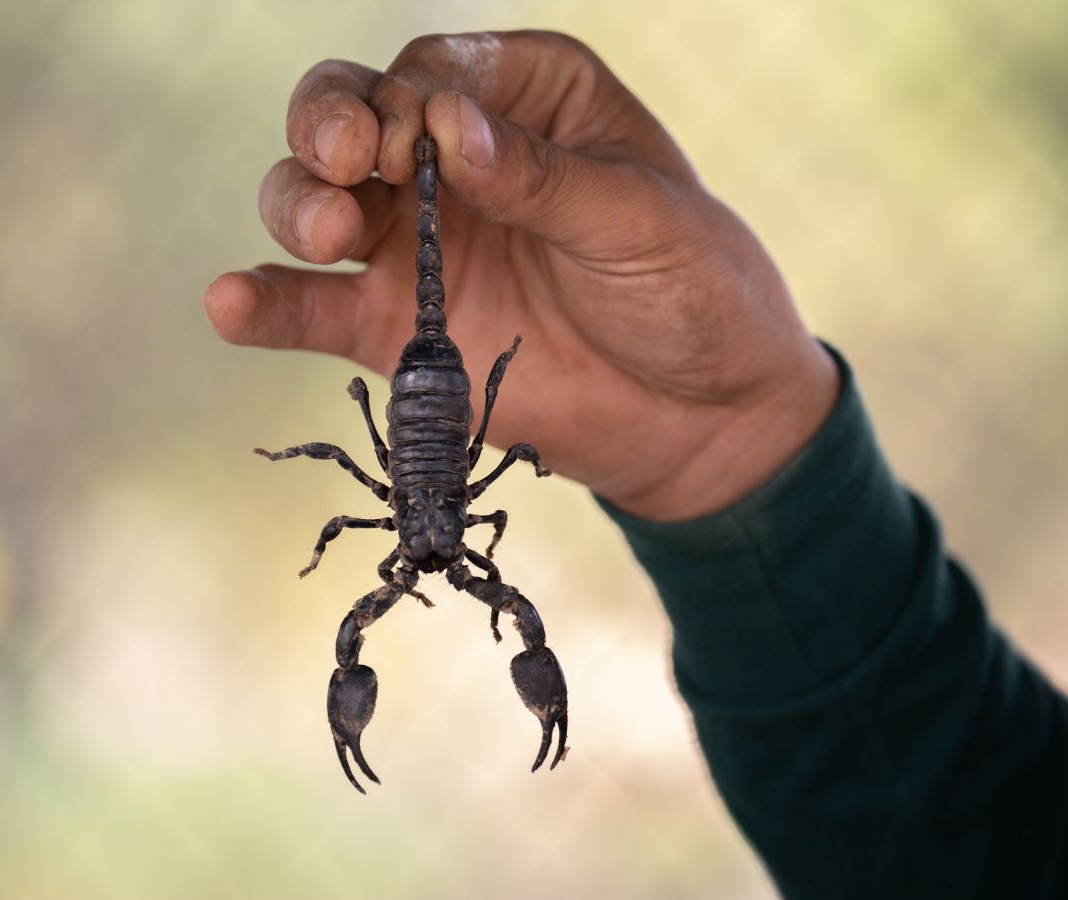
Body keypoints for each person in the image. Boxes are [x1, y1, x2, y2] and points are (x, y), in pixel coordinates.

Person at [203, 31, 1067, 898]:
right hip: (446, 408)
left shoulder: (414, 551)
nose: (430, 566)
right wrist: (737, 452)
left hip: (423, 407)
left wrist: (724, 458)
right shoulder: (471, 545)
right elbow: (974, 834)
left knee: (367, 593)